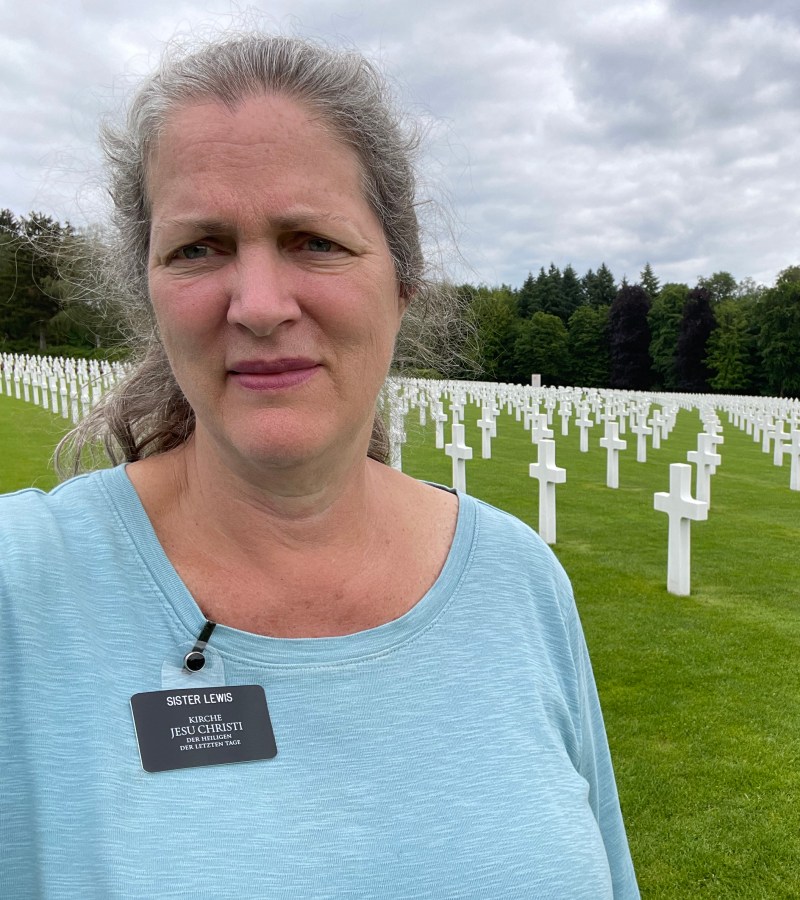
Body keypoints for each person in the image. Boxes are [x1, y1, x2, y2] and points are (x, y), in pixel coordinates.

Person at [0, 34, 638, 898]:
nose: (260, 305)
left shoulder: (520, 580)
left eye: (314, 241)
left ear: (402, 281)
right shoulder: (21, 587)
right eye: (199, 247)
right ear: (147, 289)